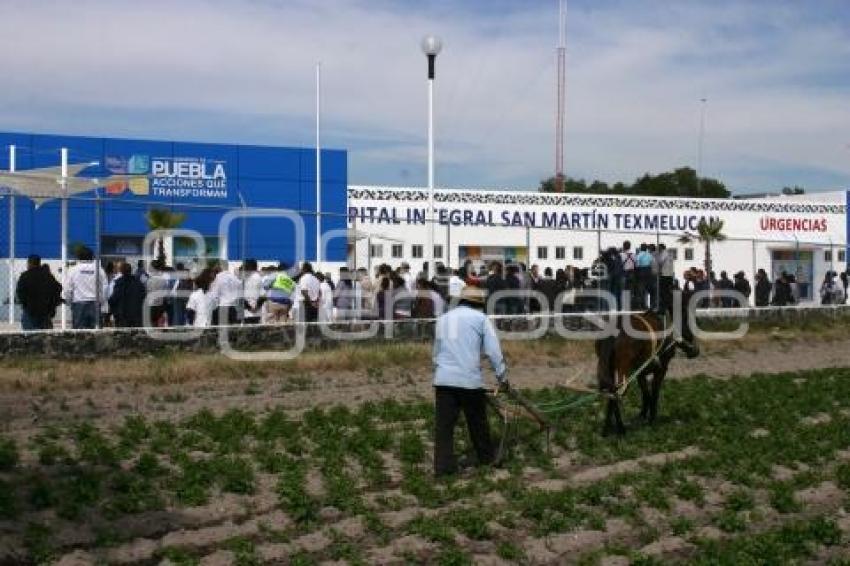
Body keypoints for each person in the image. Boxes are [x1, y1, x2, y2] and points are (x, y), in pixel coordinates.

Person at [432, 285, 507, 477]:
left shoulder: (444, 319)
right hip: (469, 380)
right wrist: (502, 376)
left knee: (444, 427)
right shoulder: (480, 319)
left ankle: (443, 468)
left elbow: (436, 352)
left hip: (443, 379)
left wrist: (440, 370)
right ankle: (486, 459)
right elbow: (493, 351)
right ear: (479, 304)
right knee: (477, 423)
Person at [65, 247, 107, 329]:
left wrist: (69, 302)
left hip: (78, 304)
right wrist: (102, 301)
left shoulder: (73, 270)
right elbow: (105, 287)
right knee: (97, 333)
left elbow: (68, 289)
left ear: (78, 257)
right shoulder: (99, 269)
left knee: (79, 334)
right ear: (92, 256)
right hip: (95, 304)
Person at [16, 255, 62, 330]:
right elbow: (58, 288)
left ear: (29, 263)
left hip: (30, 311)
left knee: (29, 336)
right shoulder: (48, 276)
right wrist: (52, 305)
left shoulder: (25, 276)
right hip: (45, 311)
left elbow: (20, 293)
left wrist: (25, 304)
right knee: (45, 336)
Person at [109, 262, 146, 327]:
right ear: (131, 270)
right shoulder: (138, 282)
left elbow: (114, 298)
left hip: (123, 314)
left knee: (123, 334)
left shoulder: (119, 283)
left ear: (121, 271)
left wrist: (111, 307)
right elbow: (143, 296)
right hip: (137, 314)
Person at [209, 260, 243, 325]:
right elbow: (240, 295)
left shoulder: (218, 277)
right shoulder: (235, 278)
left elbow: (214, 295)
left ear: (220, 266)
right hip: (233, 308)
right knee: (231, 331)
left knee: (220, 331)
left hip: (222, 307)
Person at [241, 259, 264, 324]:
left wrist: (249, 308)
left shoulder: (243, 279)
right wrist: (256, 308)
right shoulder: (259, 278)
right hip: (257, 312)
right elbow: (263, 296)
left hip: (246, 312)